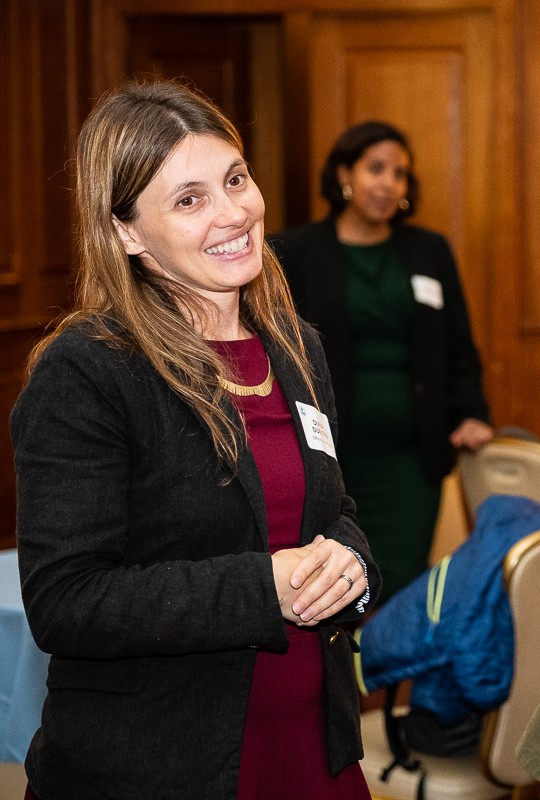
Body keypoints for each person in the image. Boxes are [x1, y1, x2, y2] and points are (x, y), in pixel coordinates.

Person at [11, 79, 380, 800]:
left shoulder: (295, 347)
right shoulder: (88, 371)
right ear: (125, 232)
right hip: (161, 764)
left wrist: (352, 562)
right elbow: (65, 600)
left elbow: (332, 510)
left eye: (235, 179)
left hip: (313, 749)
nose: (234, 212)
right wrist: (261, 586)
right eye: (189, 199)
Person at [273, 122, 493, 602]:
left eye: (400, 174)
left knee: (401, 579)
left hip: (412, 457)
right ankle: (347, 673)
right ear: (344, 174)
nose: (389, 184)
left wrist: (472, 410)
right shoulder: (295, 251)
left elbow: (458, 341)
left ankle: (384, 673)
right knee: (332, 579)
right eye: (376, 169)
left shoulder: (427, 250)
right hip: (332, 452)